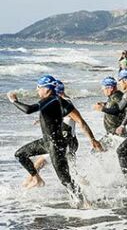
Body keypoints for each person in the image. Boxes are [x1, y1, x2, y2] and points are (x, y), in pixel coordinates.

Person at [7, 75, 86, 204]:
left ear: (46, 88)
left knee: (65, 180)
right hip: (47, 142)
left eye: (38, 88)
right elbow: (63, 113)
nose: (37, 91)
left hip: (55, 145)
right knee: (20, 154)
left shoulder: (50, 99)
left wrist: (14, 101)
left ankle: (85, 203)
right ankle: (37, 179)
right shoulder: (59, 100)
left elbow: (28, 110)